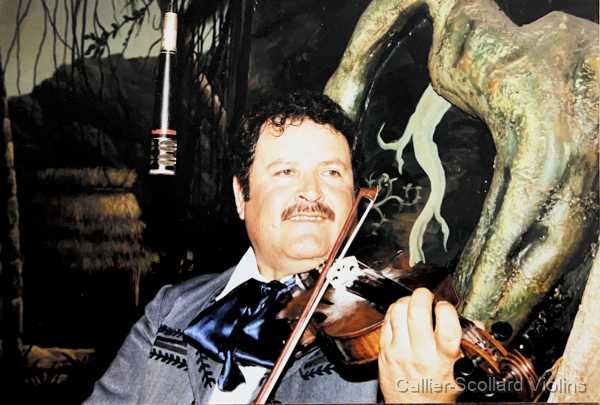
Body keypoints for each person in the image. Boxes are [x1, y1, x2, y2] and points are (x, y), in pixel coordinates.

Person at [84, 91, 462, 404]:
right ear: (241, 196)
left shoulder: (397, 331)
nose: (311, 191)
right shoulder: (169, 309)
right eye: (285, 171)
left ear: (354, 196)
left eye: (332, 172)